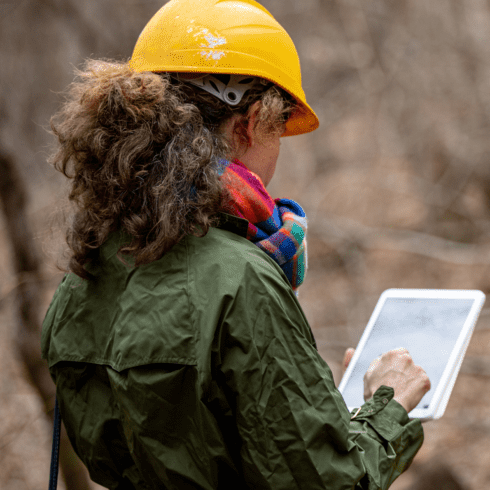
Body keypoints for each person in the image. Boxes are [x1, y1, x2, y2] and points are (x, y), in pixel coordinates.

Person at [40, 0, 430, 488]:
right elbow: (333, 483)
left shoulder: (83, 277)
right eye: (280, 129)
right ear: (249, 124)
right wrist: (387, 405)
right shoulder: (240, 280)